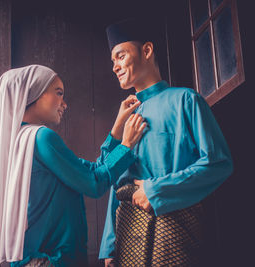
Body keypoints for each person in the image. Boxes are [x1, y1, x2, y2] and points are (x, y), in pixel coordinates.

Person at [0, 64, 147, 267]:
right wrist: (127, 145)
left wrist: (116, 130)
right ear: (34, 93)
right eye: (58, 93)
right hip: (51, 261)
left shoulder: (18, 139)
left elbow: (91, 171)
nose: (64, 103)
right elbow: (94, 184)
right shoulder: (41, 137)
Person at [99, 18, 233, 266]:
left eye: (120, 56)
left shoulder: (186, 100)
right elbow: (114, 181)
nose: (115, 66)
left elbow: (219, 163)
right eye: (112, 61)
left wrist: (158, 190)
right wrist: (109, 245)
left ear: (147, 51)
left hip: (173, 233)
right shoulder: (125, 118)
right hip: (126, 235)